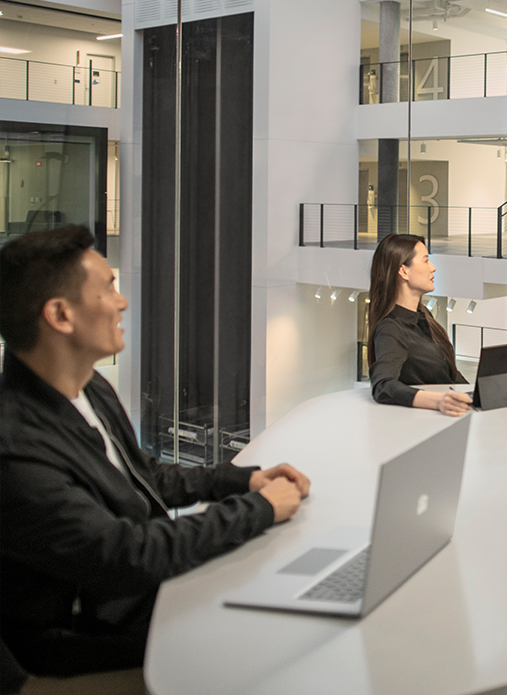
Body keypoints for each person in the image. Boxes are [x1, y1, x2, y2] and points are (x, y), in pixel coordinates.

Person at [0, 226, 310, 682]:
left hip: (139, 595)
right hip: (93, 637)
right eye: (108, 289)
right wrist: (258, 509)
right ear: (61, 315)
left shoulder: (89, 385)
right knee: (273, 641)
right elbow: (125, 556)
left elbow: (140, 475)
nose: (122, 302)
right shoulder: (14, 450)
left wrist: (240, 481)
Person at [365, 234, 472, 416]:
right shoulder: (391, 328)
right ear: (404, 271)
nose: (433, 268)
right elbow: (383, 385)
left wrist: (475, 395)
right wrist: (438, 401)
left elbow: (450, 375)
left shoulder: (425, 317)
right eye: (426, 260)